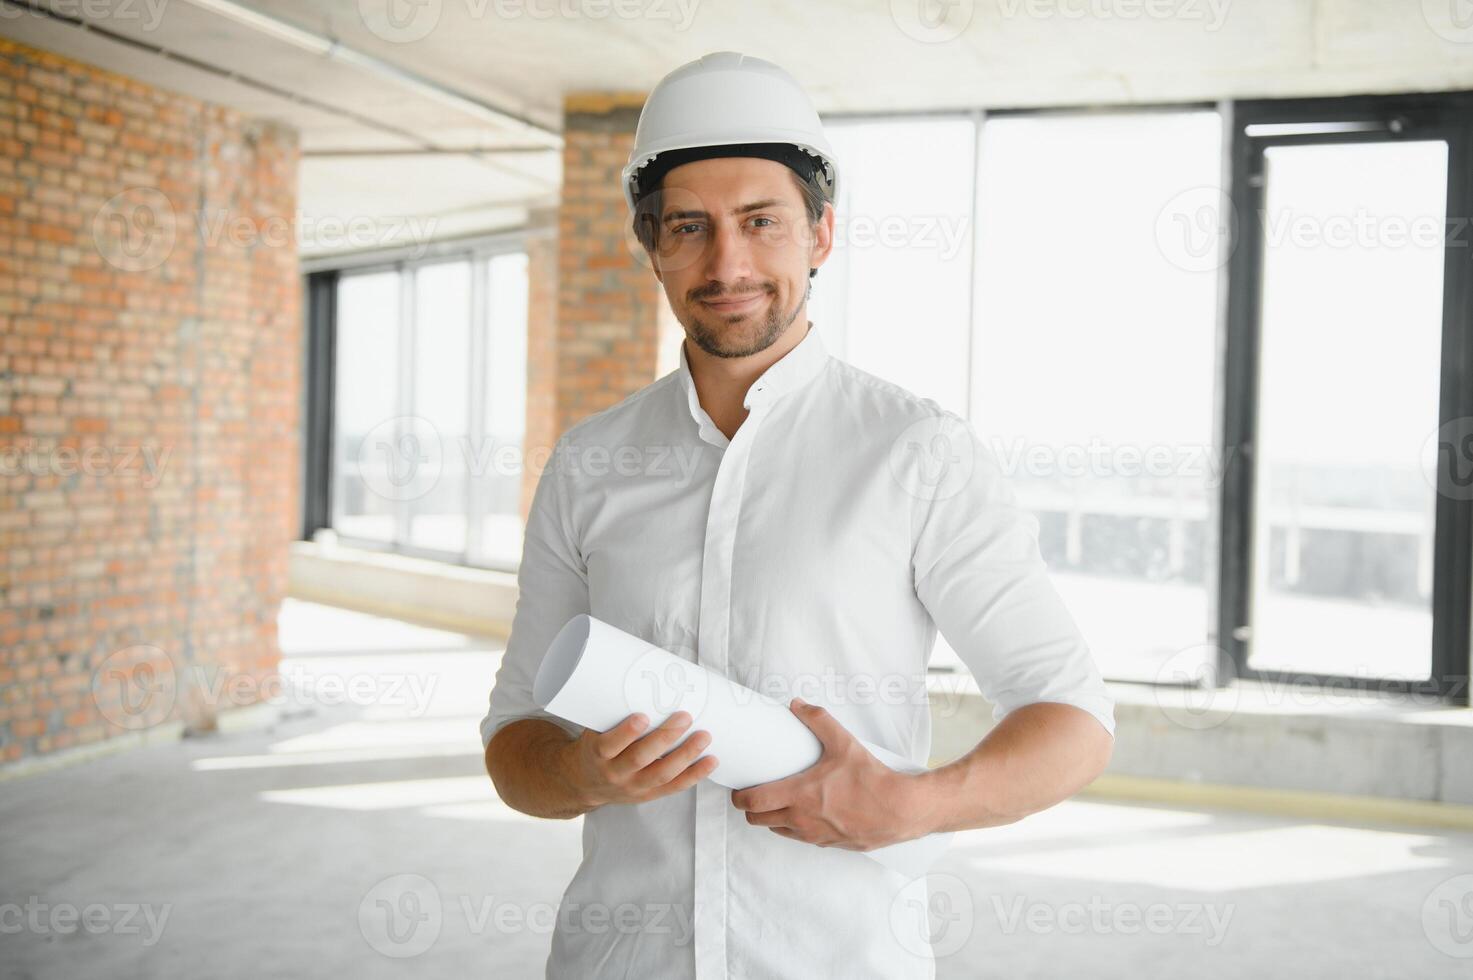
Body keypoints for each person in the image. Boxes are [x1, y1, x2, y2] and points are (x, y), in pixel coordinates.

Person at [481, 50, 1116, 979]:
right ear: (650, 244)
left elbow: (1072, 718)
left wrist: (916, 806)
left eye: (760, 222)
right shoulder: (589, 466)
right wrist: (582, 774)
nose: (726, 262)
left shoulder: (916, 452)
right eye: (688, 227)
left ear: (819, 235)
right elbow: (513, 745)